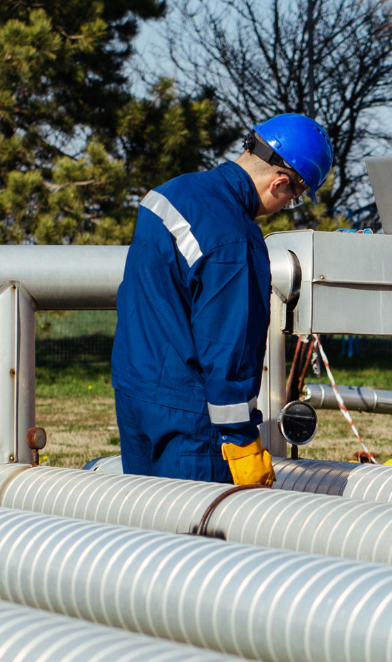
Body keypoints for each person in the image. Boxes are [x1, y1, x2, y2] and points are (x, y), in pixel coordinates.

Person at [112, 113, 333, 486]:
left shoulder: (169, 193)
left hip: (135, 396)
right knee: (198, 540)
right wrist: (242, 442)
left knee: (145, 534)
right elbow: (228, 349)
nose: (286, 206)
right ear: (279, 183)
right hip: (192, 421)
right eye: (293, 198)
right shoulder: (235, 239)